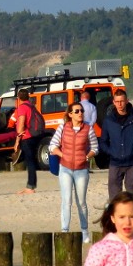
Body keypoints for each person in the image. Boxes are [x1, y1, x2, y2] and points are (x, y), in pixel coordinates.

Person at [48, 103, 99, 243]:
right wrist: (62, 154)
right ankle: (65, 230)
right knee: (66, 200)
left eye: (81, 111)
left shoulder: (88, 129)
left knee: (81, 202)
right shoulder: (63, 127)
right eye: (77, 111)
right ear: (70, 114)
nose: (80, 113)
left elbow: (95, 147)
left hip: (82, 169)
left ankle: (84, 232)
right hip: (65, 169)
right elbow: (52, 145)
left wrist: (87, 157)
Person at [99, 89, 133, 199]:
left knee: (132, 198)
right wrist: (112, 152)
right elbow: (103, 141)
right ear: (113, 102)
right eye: (117, 101)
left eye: (122, 101)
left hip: (132, 163)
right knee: (114, 199)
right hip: (115, 163)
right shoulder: (108, 121)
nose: (119, 104)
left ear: (127, 101)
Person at [9, 88, 39, 194]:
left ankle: (30, 186)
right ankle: (31, 185)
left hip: (26, 136)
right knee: (31, 160)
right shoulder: (31, 106)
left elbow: (20, 125)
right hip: (34, 135)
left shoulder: (22, 108)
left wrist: (17, 141)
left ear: (18, 98)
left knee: (29, 161)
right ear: (28, 97)